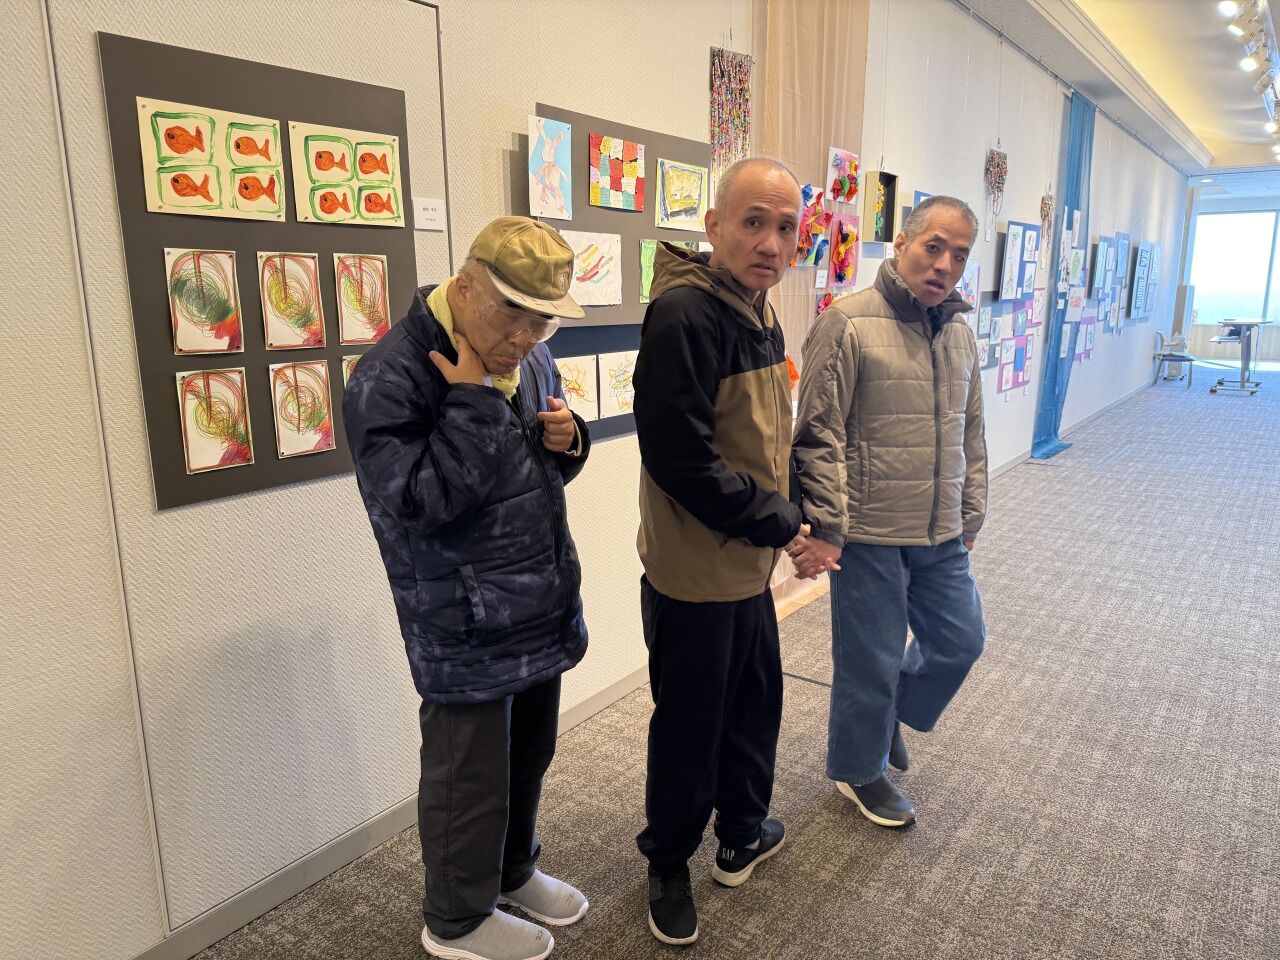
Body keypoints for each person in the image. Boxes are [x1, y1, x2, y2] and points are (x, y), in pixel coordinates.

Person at [344, 216, 592, 960]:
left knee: (528, 756)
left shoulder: (529, 355)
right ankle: (455, 920)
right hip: (463, 616)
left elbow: (529, 474)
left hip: (536, 600)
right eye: (511, 312)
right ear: (463, 288)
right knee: (469, 777)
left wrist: (569, 440)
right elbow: (421, 504)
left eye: (543, 319)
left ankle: (512, 872)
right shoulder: (390, 377)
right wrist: (476, 404)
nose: (525, 336)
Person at [632, 157, 836, 947]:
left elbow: (765, 438)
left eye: (786, 228)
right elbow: (681, 461)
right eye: (754, 222)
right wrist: (784, 525)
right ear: (714, 226)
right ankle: (668, 864)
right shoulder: (684, 315)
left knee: (754, 705)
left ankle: (742, 832)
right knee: (691, 726)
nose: (772, 243)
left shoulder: (756, 310)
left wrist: (796, 518)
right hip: (694, 573)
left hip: (745, 564)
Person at [790, 195, 989, 829]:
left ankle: (887, 715)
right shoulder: (847, 322)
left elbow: (971, 430)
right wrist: (827, 526)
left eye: (959, 255)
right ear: (901, 244)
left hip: (940, 530)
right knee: (869, 662)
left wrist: (970, 512)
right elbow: (816, 433)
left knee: (961, 641)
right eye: (933, 247)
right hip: (868, 531)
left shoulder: (959, 333)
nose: (944, 265)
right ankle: (859, 770)